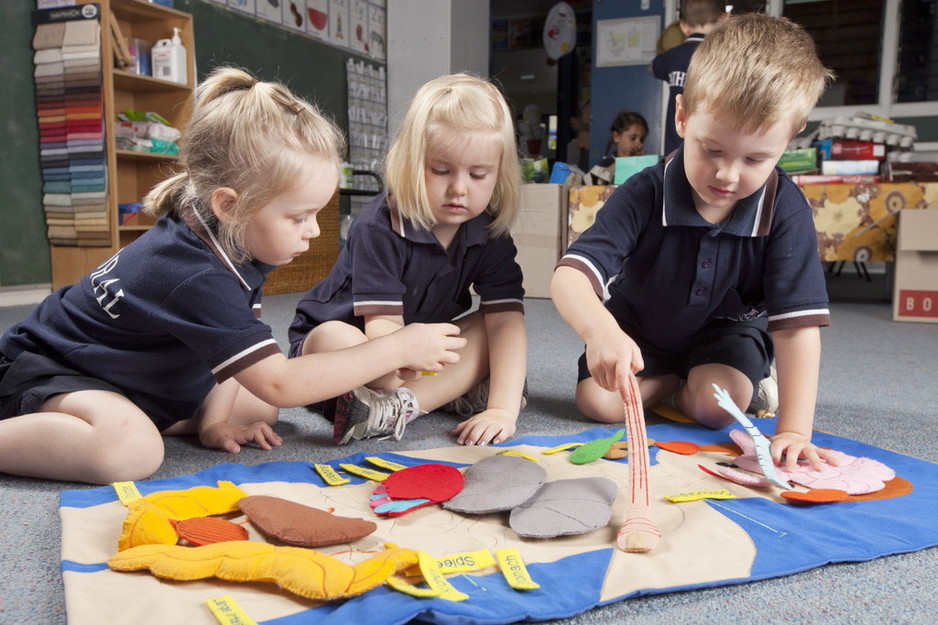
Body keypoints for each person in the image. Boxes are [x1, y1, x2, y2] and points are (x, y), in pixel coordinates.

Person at [0, 67, 465, 485]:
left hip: (130, 370)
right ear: (230, 203)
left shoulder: (229, 237)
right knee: (132, 451)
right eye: (299, 216)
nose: (314, 231)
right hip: (51, 370)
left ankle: (153, 414)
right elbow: (282, 381)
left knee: (259, 406)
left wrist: (214, 422)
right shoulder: (190, 270)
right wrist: (398, 346)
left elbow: (231, 357)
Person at [551, 13, 838, 472]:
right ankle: (672, 384)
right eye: (712, 150)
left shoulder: (786, 209)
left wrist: (795, 429)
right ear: (682, 116)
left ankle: (713, 385)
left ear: (789, 140)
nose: (727, 175)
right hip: (640, 329)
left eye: (755, 158)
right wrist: (601, 331)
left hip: (725, 334)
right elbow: (571, 276)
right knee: (598, 402)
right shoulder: (645, 192)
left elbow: (796, 326)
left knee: (718, 406)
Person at [289, 73, 528, 448]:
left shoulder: (489, 231)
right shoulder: (378, 227)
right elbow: (382, 334)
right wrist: (435, 363)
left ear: (499, 174)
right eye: (441, 170)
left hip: (414, 350)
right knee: (345, 343)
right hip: (350, 348)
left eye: (478, 174)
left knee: (493, 327)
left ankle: (399, 409)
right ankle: (443, 392)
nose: (459, 189)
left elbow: (505, 324)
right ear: (413, 163)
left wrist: (503, 409)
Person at [652, 0, 728, 155]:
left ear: (684, 27)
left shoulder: (672, 56)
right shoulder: (724, 56)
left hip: (675, 149)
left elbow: (655, 67)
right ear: (725, 19)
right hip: (711, 147)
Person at [584, 111, 649, 185]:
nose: (639, 143)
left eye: (642, 139)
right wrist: (623, 162)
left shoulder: (643, 165)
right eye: (633, 138)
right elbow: (588, 183)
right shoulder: (607, 163)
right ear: (616, 137)